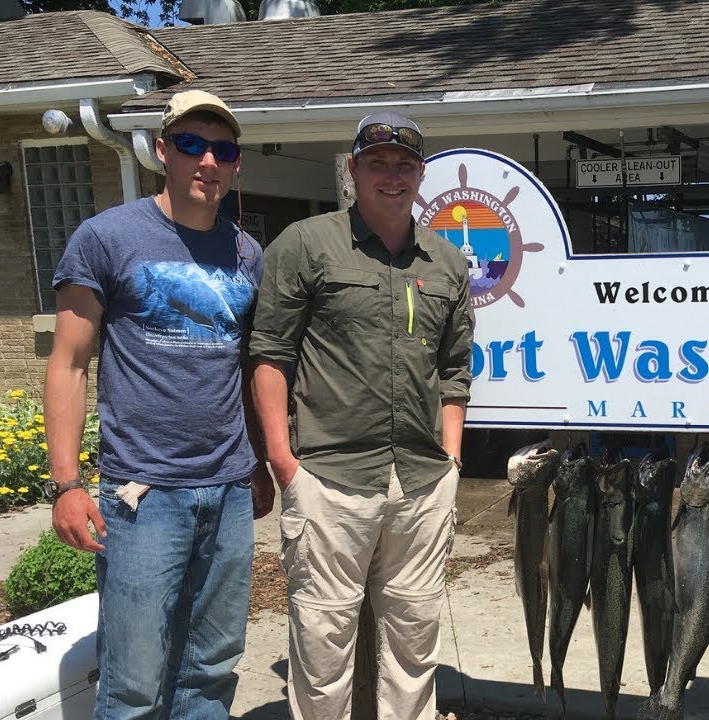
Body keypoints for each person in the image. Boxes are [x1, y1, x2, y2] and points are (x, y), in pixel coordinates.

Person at [44, 89, 272, 719]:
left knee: (212, 668)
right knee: (134, 680)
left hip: (227, 490)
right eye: (193, 145)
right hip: (143, 495)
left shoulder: (246, 254)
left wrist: (255, 462)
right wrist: (66, 483)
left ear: (235, 164)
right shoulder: (107, 238)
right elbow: (67, 363)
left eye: (222, 150)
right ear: (162, 150)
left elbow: (245, 366)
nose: (208, 162)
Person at [249, 110, 474, 720]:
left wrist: (451, 459)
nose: (392, 176)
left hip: (423, 482)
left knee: (414, 644)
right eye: (378, 163)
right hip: (329, 478)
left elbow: (454, 370)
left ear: (421, 175)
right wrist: (282, 461)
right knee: (322, 649)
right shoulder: (305, 244)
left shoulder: (448, 263)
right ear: (353, 169)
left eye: (405, 165)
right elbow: (269, 355)